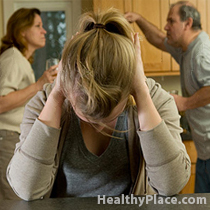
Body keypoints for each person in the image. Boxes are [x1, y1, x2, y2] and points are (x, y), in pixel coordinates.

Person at [7, 8, 190, 201]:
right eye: (85, 111)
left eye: (108, 112)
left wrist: (141, 91)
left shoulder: (154, 100)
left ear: (128, 86)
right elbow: (26, 189)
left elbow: (171, 185)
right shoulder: (45, 101)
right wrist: (56, 95)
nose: (98, 122)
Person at [125, 1, 210, 193]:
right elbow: (158, 39)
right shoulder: (186, 49)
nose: (166, 26)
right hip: (205, 151)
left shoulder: (201, 53)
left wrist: (185, 103)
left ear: (187, 23)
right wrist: (138, 19)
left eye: (171, 21)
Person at [0, 8, 57, 200]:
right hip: (6, 138)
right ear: (22, 30)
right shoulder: (13, 58)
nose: (44, 31)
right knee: (13, 200)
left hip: (11, 137)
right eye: (38, 26)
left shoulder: (20, 59)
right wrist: (39, 85)